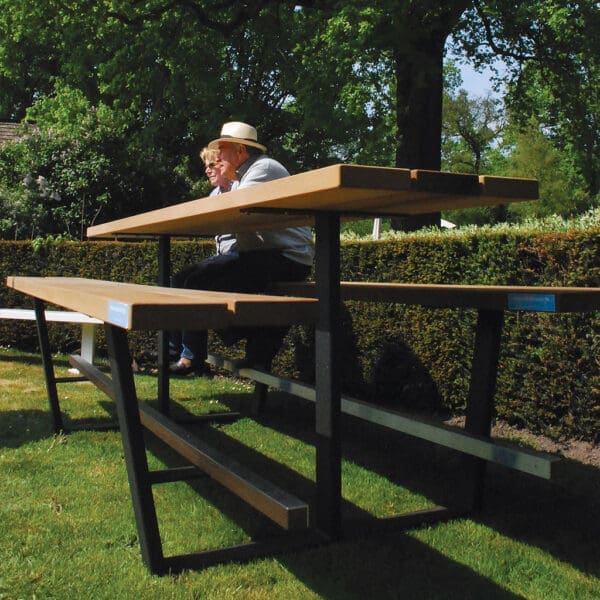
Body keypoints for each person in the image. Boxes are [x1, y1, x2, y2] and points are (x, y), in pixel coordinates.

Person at [169, 121, 314, 376]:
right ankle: (255, 335)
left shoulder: (262, 168)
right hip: (265, 256)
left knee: (196, 283)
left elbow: (231, 212)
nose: (217, 159)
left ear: (239, 151)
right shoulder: (245, 175)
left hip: (288, 258)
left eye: (221, 150)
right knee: (189, 280)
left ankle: (199, 357)